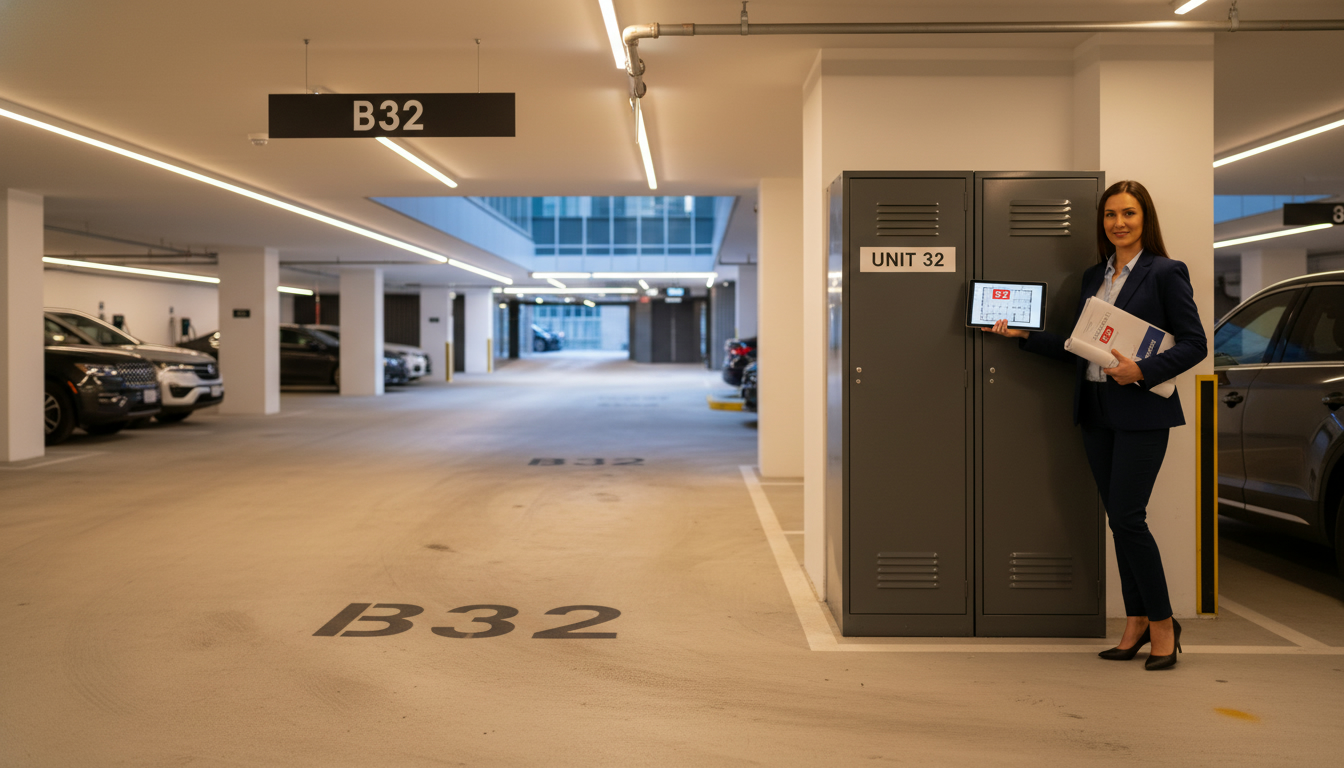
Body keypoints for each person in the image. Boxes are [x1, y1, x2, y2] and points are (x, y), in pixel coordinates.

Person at [983, 180, 1206, 670]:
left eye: (1128, 213)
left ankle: (1164, 625)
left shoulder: (1166, 272)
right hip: (1096, 410)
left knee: (1129, 518)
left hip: (1143, 411)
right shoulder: (1093, 277)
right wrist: (1026, 336)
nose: (1118, 223)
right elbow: (1080, 344)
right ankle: (1137, 622)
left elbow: (1195, 344)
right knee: (1119, 521)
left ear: (1144, 218)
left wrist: (1142, 371)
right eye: (1110, 215)